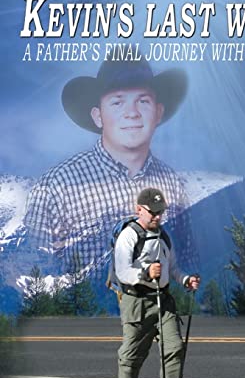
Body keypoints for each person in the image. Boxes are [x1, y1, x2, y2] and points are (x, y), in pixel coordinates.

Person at [22, 54, 197, 288]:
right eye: (117, 102)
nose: (132, 113)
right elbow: (33, 278)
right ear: (98, 116)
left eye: (143, 101)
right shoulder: (55, 186)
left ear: (158, 112)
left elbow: (186, 259)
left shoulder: (173, 184)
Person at [115, 187, 200, 378]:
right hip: (137, 301)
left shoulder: (164, 235)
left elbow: (171, 267)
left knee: (174, 347)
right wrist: (145, 271)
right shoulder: (129, 236)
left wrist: (185, 280)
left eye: (160, 212)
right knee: (132, 355)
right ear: (139, 209)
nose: (157, 217)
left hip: (163, 299)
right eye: (153, 212)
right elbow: (122, 272)